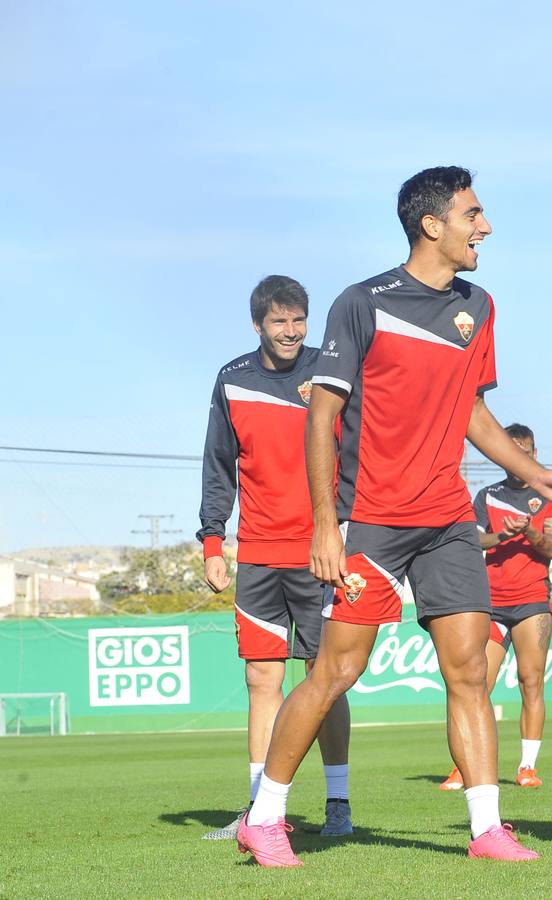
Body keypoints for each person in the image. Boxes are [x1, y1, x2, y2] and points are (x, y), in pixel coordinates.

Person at [235, 166, 552, 867]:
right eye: (473, 214)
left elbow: (471, 411)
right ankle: (267, 815)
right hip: (370, 519)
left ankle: (488, 828)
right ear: (432, 224)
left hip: (445, 520)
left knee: (469, 671)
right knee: (335, 671)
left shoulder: (479, 306)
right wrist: (323, 523)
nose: (484, 227)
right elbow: (323, 413)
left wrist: (534, 474)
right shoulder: (361, 303)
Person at [196, 275, 353, 842]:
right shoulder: (232, 380)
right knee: (262, 679)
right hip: (258, 556)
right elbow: (219, 466)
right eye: (278, 321)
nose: (290, 331)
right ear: (258, 324)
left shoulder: (330, 373)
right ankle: (262, 810)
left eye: (297, 320)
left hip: (322, 554)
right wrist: (213, 541)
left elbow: (360, 450)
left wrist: (348, 528)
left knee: (326, 677)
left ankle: (338, 802)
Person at [441, 423, 552, 792]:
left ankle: (527, 766)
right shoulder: (487, 495)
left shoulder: (551, 496)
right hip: (490, 603)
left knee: (531, 681)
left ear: (534, 453)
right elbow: (473, 539)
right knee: (474, 683)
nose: (518, 459)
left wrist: (528, 532)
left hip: (532, 602)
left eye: (524, 452)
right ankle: (462, 767)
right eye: (511, 452)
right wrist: (503, 535)